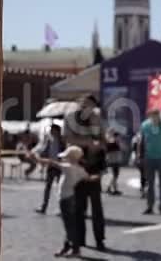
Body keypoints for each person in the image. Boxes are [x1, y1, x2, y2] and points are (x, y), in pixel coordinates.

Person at [35, 145, 98, 258]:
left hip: (65, 199)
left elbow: (51, 162)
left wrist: (36, 158)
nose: (64, 158)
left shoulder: (68, 167)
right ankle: (67, 246)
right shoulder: (80, 169)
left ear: (72, 158)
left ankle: (75, 249)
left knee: (69, 225)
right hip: (71, 198)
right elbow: (89, 178)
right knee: (70, 224)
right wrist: (98, 176)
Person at [64, 94, 106, 251]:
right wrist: (86, 142)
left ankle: (99, 239)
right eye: (85, 104)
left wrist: (100, 144)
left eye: (91, 105)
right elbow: (67, 139)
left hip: (94, 165)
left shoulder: (97, 119)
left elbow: (103, 140)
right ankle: (79, 239)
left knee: (96, 206)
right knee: (78, 206)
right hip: (77, 166)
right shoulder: (70, 117)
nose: (88, 107)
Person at [140, 109, 161, 215]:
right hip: (149, 157)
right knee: (150, 183)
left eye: (156, 115)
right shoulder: (145, 126)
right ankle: (150, 206)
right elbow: (141, 141)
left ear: (159, 116)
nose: (155, 118)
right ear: (150, 116)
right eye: (152, 116)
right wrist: (140, 155)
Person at [33, 124, 66, 214]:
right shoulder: (49, 140)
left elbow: (65, 153)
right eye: (51, 130)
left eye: (53, 130)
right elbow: (45, 151)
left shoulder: (63, 141)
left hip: (60, 167)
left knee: (61, 188)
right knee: (47, 187)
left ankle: (62, 208)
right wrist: (39, 156)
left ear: (57, 131)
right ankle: (44, 206)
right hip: (51, 166)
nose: (51, 131)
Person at [105, 129, 123, 196]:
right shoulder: (111, 140)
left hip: (113, 159)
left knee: (115, 175)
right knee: (114, 175)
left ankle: (112, 188)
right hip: (113, 160)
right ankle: (110, 188)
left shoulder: (111, 140)